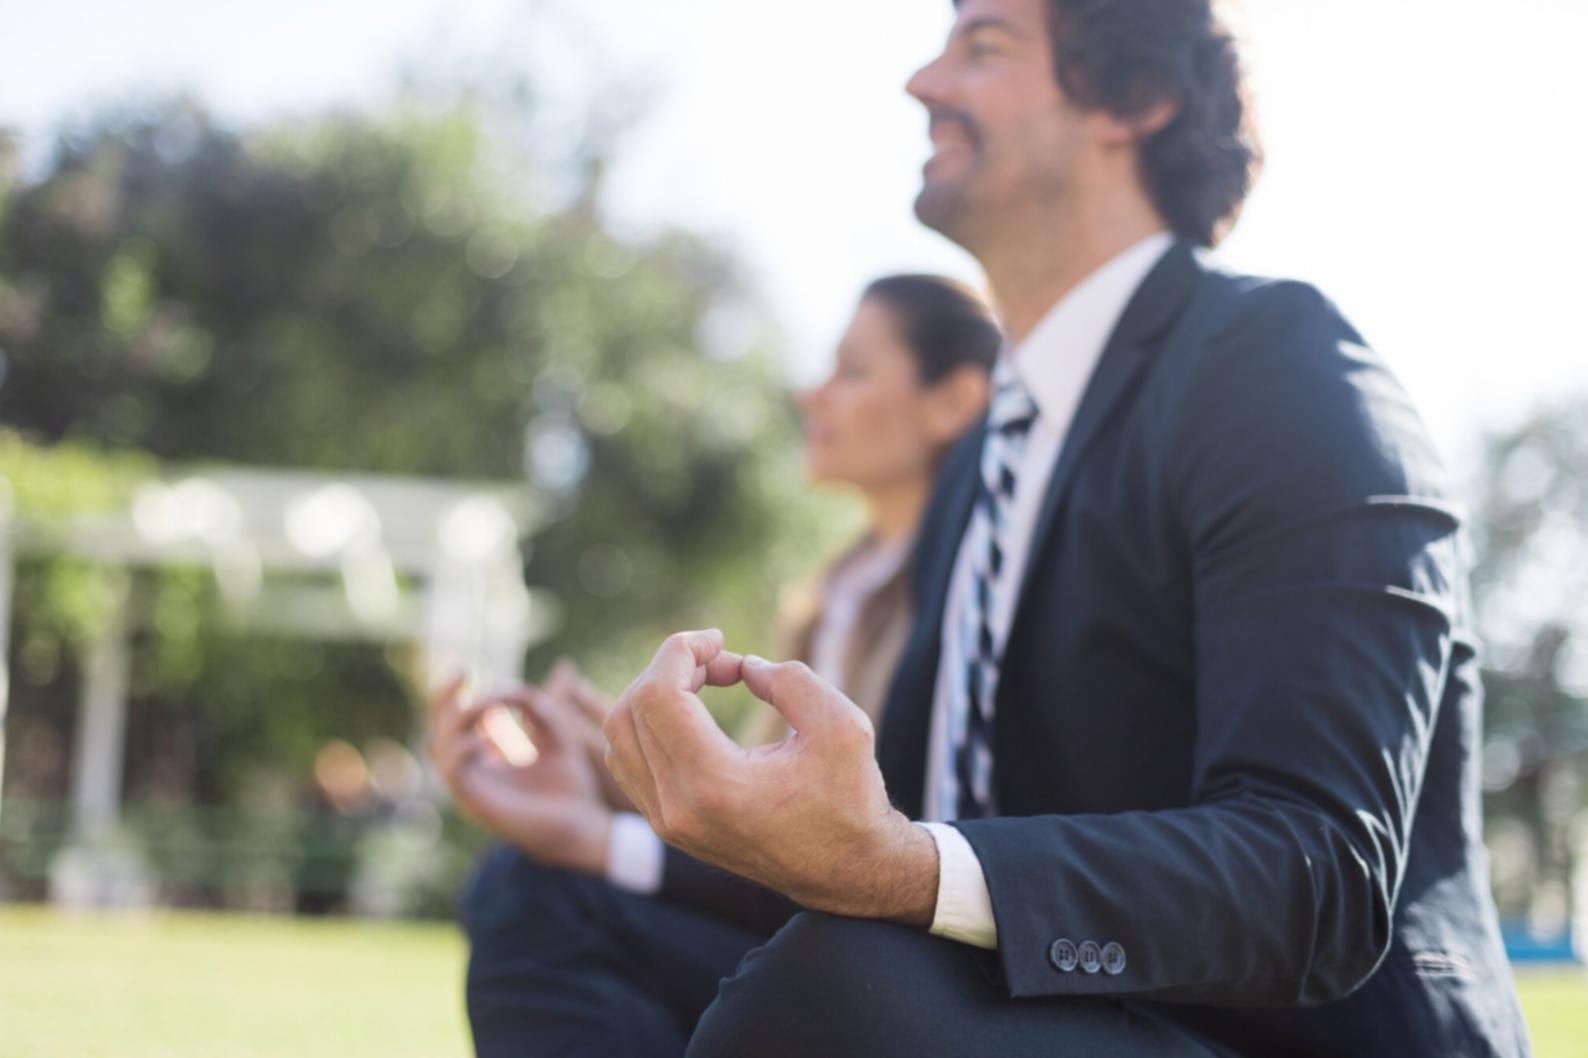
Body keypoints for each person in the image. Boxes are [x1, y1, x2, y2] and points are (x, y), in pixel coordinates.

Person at [599, 1, 1534, 1056]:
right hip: (1025, 1013)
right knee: (555, 903)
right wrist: (622, 823)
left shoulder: (1287, 373)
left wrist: (898, 863)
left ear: (1136, 100)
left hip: (1268, 1038)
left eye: (983, 46)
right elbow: (892, 832)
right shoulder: (984, 462)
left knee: (846, 981)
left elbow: (1315, 869)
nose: (924, 84)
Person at [430, 275, 997, 1057]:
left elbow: (851, 852)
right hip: (797, 942)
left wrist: (601, 835)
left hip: (886, 973)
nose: (812, 395)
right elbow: (767, 846)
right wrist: (622, 774)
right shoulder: (832, 593)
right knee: (522, 881)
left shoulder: (975, 599)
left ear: (954, 401)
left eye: (852, 372)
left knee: (534, 895)